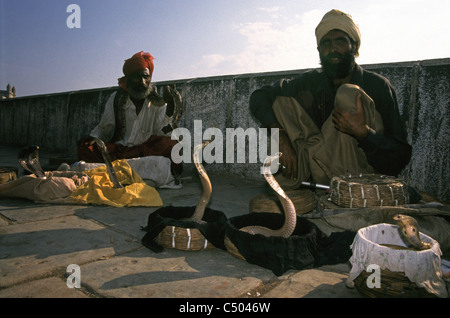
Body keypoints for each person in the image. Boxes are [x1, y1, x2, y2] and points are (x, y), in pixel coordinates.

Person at [249, 9, 412, 189]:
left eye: (340, 41)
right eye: (326, 43)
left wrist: (364, 133)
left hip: (358, 177)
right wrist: (280, 137)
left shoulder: (378, 86)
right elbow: (259, 96)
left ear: (354, 46)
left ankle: (343, 191)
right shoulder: (310, 82)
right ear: (319, 50)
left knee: (348, 94)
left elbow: (400, 155)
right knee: (281, 103)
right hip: (316, 169)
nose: (333, 48)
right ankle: (298, 181)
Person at [77, 51, 183, 187]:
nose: (142, 82)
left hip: (144, 152)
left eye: (146, 77)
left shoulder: (158, 103)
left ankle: (113, 172)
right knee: (85, 148)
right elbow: (104, 127)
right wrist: (94, 137)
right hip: (120, 151)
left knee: (173, 147)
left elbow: (163, 134)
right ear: (127, 79)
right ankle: (137, 174)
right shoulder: (116, 99)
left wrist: (169, 113)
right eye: (137, 77)